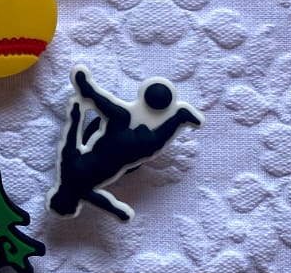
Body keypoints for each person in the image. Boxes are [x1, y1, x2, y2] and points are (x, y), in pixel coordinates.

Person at [48, 67, 204, 222]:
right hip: (109, 141)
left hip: (124, 154)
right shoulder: (67, 168)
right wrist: (76, 117)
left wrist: (119, 213)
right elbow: (70, 142)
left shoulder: (83, 191)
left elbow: (105, 203)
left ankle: (179, 117)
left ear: (71, 201)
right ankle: (89, 92)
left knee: (153, 143)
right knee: (120, 116)